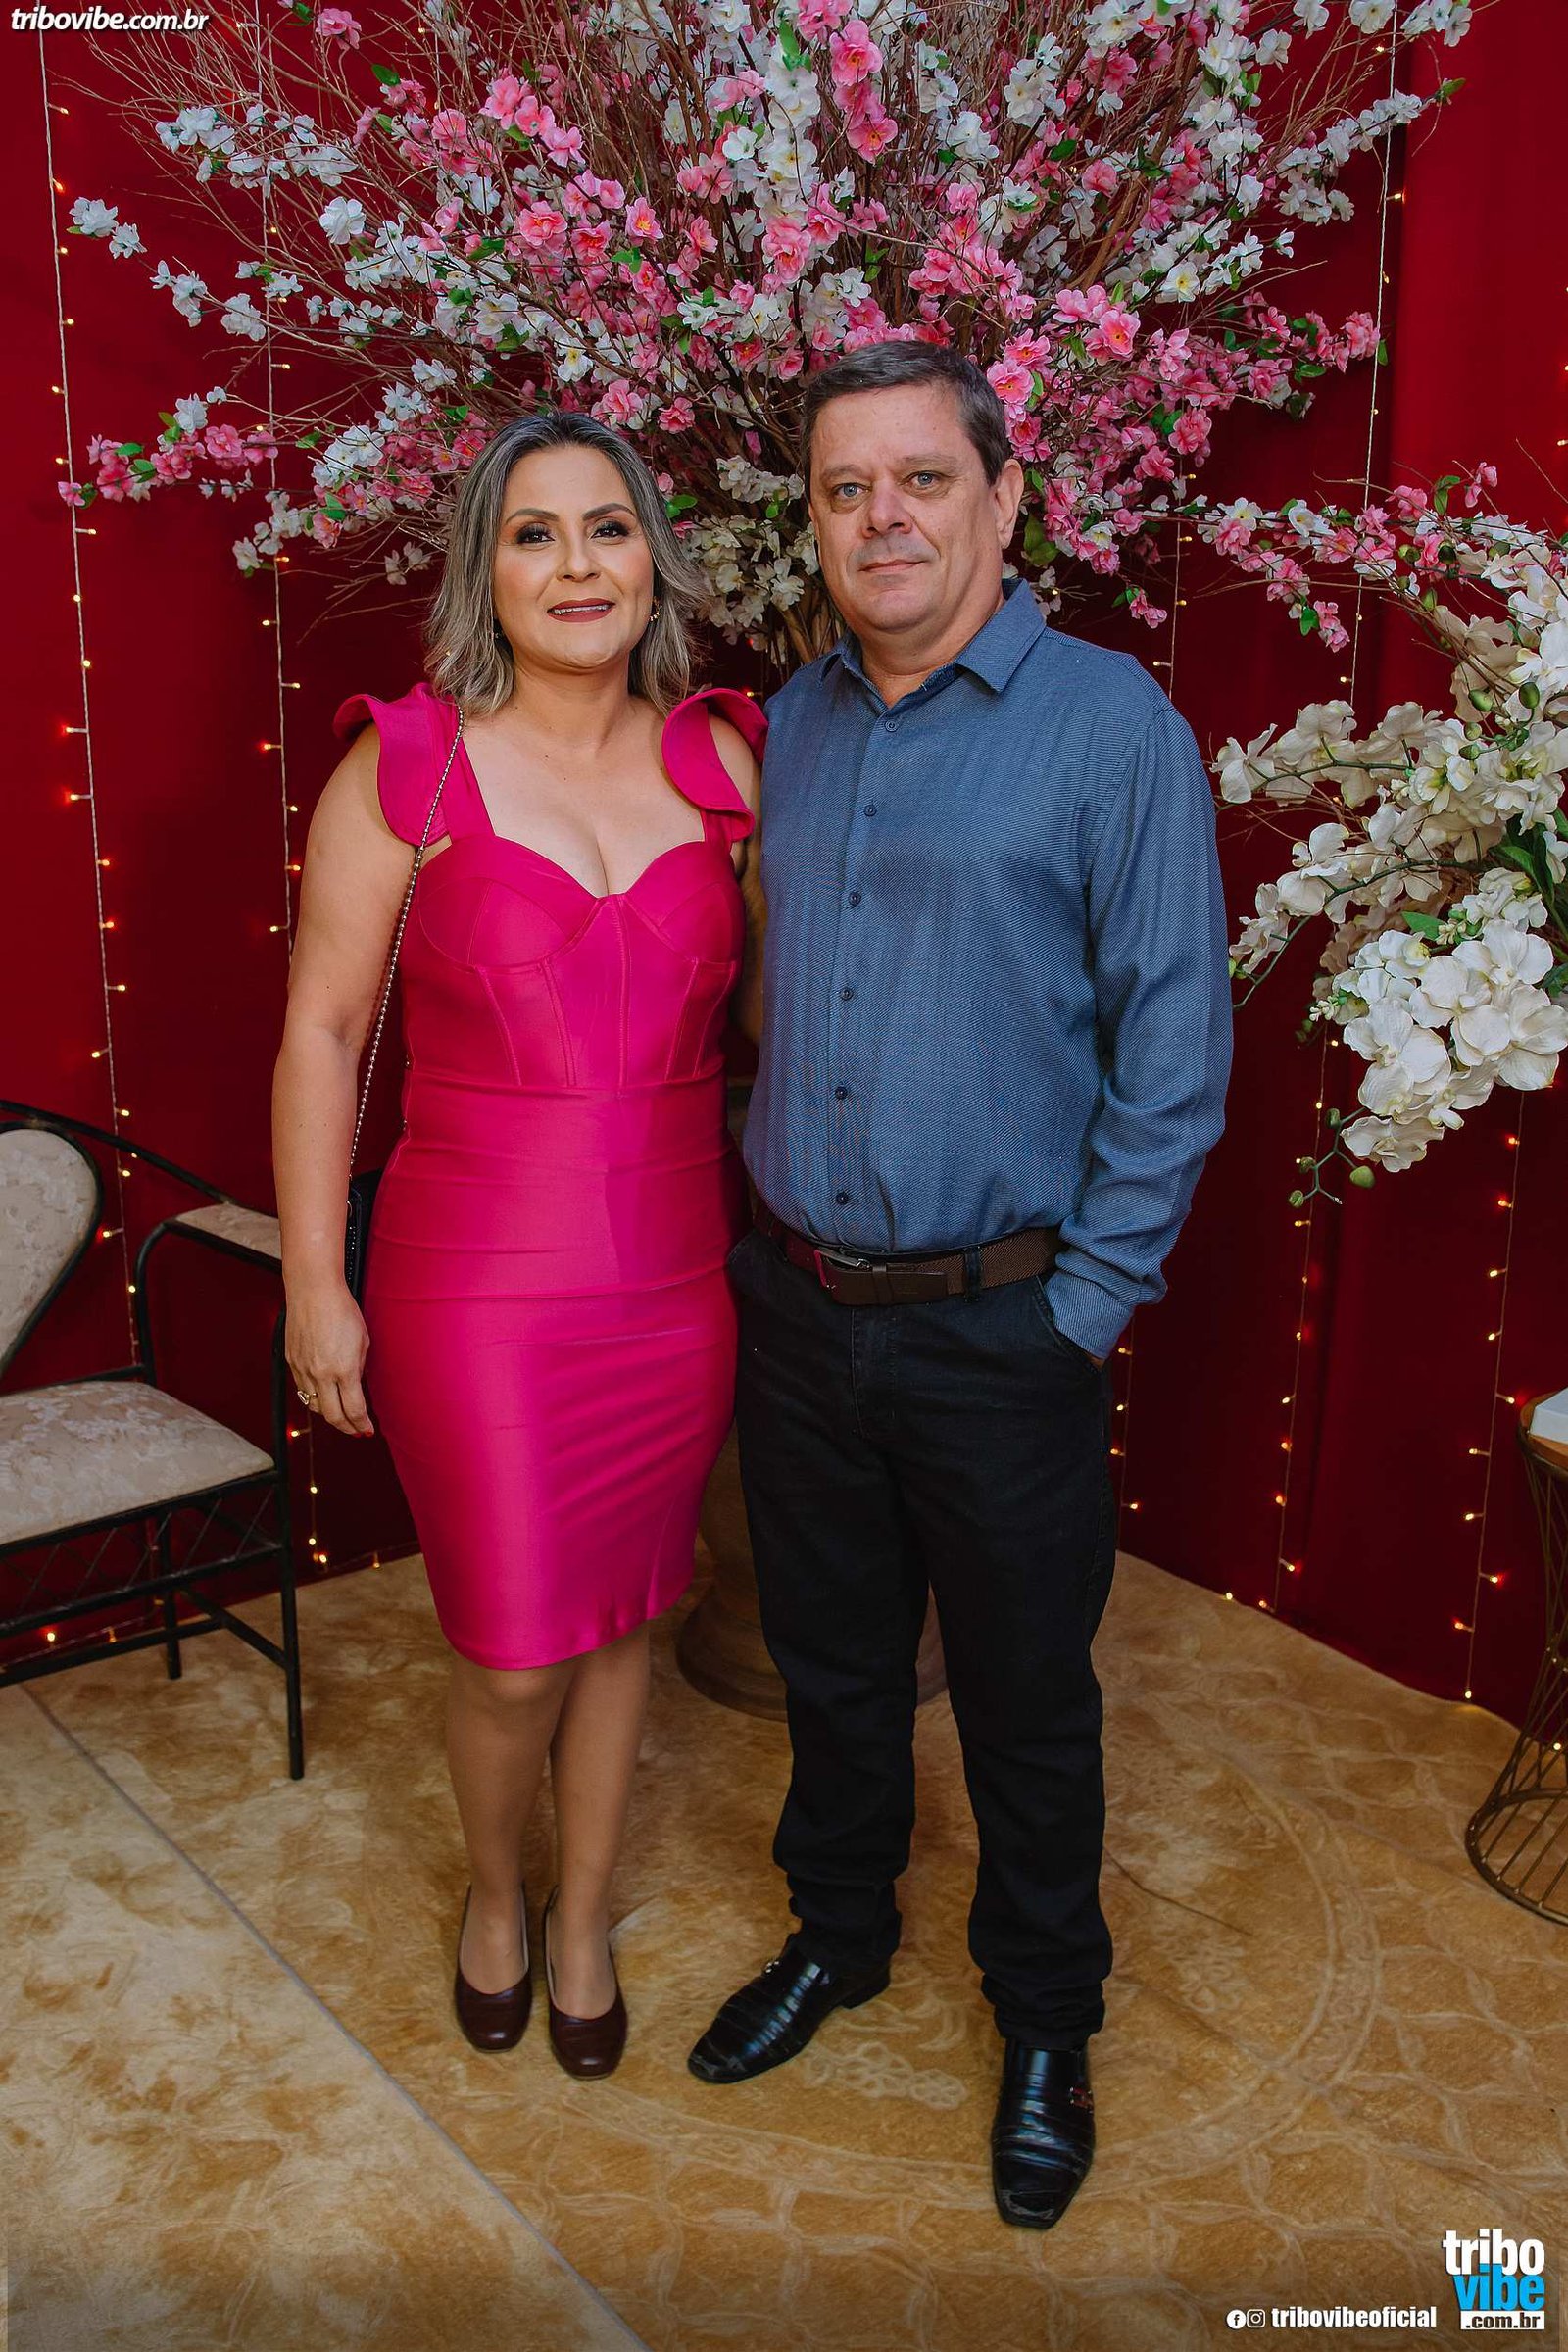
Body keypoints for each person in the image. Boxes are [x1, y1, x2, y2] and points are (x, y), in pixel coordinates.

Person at [686, 343, 1232, 2230]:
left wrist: (1078, 1310)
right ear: (816, 522)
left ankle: (1047, 2022)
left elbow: (1177, 1051)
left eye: (923, 479)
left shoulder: (1109, 727)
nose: (884, 518)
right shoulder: (797, 722)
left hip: (1005, 1326)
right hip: (802, 1309)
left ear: (1005, 499)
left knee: (1024, 1705)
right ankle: (838, 1936)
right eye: (847, 490)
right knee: (834, 1673)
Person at [272, 412, 764, 2077]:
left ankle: (582, 1919)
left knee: (624, 1624)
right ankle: (497, 1894)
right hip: (477, 1289)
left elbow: (777, 1017)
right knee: (508, 1654)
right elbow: (324, 1032)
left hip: (675, 1285)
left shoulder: (726, 762)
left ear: (654, 562)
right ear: (485, 570)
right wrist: (315, 1282)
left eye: (607, 528)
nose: (576, 566)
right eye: (534, 533)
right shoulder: (406, 765)